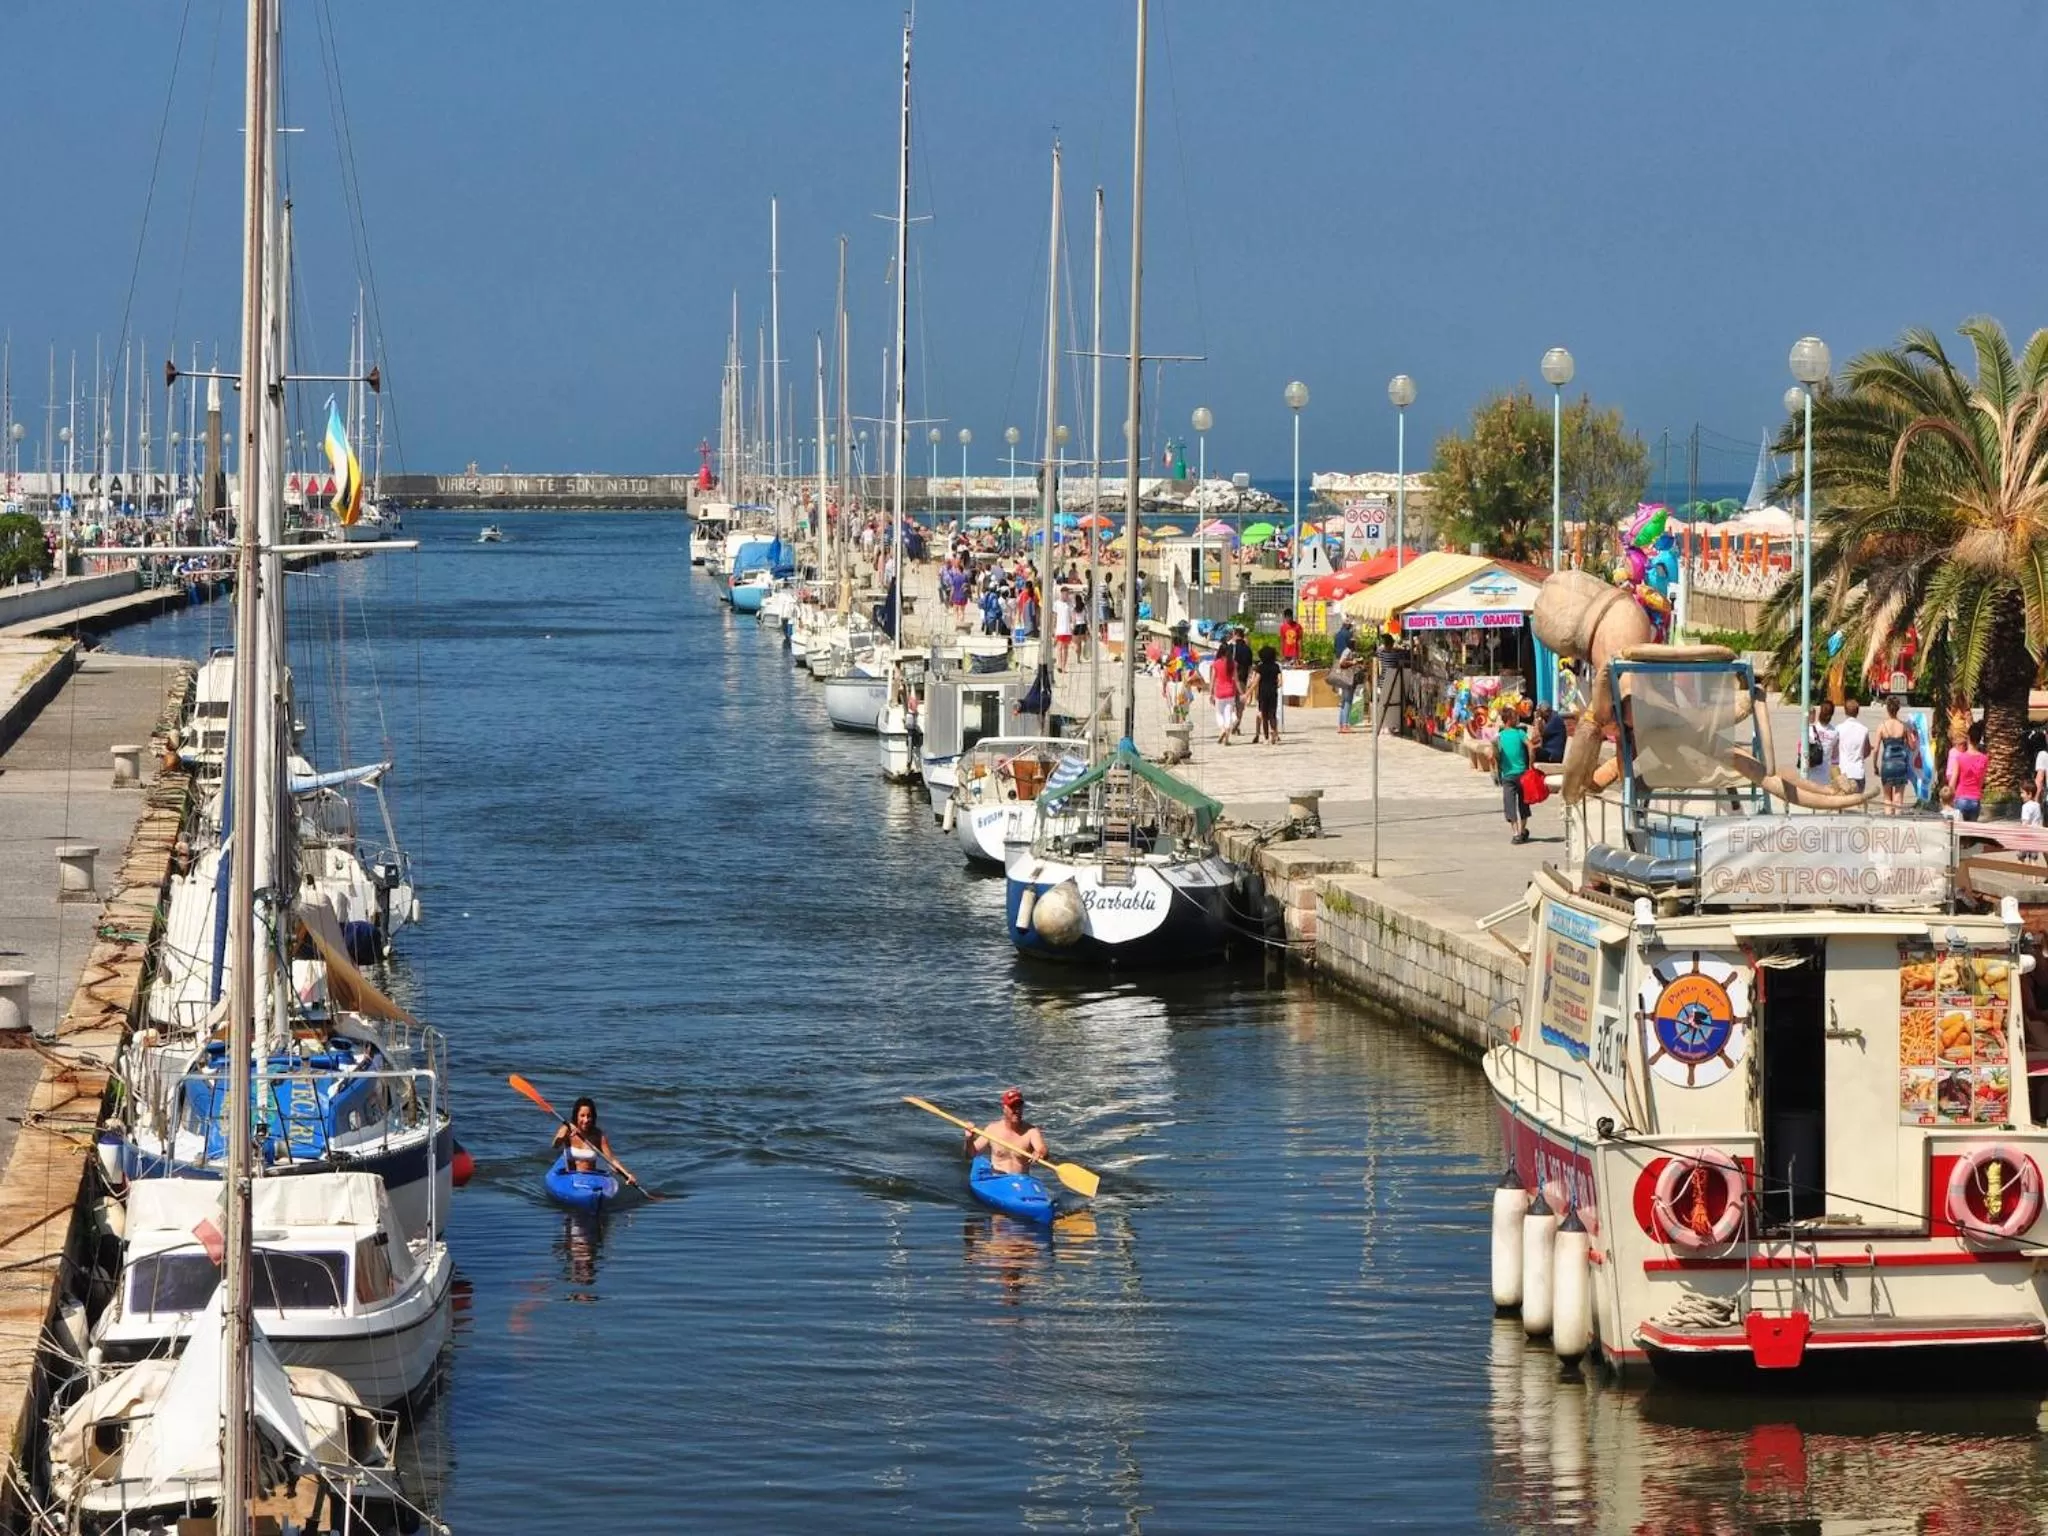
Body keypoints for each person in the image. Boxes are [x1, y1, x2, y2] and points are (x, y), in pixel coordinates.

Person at [552, 1097, 637, 1188]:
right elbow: (555, 1145)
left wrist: (627, 1174)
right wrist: (564, 1132)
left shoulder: (598, 1135)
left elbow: (611, 1161)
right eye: (582, 1115)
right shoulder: (567, 1129)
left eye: (589, 1116)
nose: (586, 1120)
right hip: (571, 1178)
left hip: (591, 1179)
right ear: (576, 1116)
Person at [964, 1087, 1049, 1175]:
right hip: (997, 1179)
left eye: (1019, 1106)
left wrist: (1039, 1153)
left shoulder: (1031, 1132)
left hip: (1020, 1181)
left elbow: (1042, 1150)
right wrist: (969, 1139)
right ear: (1004, 1108)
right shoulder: (992, 1130)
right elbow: (970, 1155)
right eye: (1012, 1106)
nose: (1017, 1110)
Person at [1876, 696, 1919, 813]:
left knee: (1887, 798)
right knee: (1898, 798)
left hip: (1887, 764)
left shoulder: (1882, 726)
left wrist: (1875, 765)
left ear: (1887, 709)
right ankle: (1898, 823)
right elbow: (1912, 746)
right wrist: (1914, 737)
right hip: (1901, 764)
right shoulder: (1904, 726)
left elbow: (1875, 749)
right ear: (1898, 709)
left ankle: (1889, 823)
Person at [1496, 705, 1533, 844]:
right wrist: (1530, 764)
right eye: (1515, 716)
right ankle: (1521, 831)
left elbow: (1493, 752)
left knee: (1510, 804)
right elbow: (1530, 746)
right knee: (1523, 803)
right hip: (1520, 774)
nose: (1517, 719)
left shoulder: (1500, 736)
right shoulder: (1520, 734)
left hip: (1509, 775)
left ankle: (1518, 832)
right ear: (1509, 719)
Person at [1945, 719, 1989, 822]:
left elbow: (1953, 781)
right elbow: (1981, 781)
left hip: (1961, 797)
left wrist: (1949, 799)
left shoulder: (1960, 758)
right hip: (1975, 799)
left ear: (1968, 738)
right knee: (1971, 833)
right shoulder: (1984, 759)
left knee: (1960, 833)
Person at [1835, 697, 1872, 796]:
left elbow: (1834, 750)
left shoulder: (1839, 728)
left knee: (1842, 803)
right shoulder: (1864, 729)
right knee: (1857, 801)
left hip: (1843, 772)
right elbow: (1867, 751)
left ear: (1845, 711)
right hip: (1858, 772)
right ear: (1857, 712)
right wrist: (1859, 756)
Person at [1226, 626, 1256, 737]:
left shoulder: (1230, 648)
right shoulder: (1248, 649)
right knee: (1240, 704)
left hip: (1230, 679)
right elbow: (1250, 667)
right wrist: (1249, 678)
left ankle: (1232, 723)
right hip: (1242, 678)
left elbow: (1225, 663)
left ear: (1234, 634)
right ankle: (1237, 724)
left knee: (1230, 703)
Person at [1212, 641, 1241, 744]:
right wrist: (1242, 693)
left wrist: (1211, 693)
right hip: (1230, 691)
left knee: (1219, 713)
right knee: (1228, 713)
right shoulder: (1233, 663)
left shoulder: (1216, 663)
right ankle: (1227, 738)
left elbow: (1213, 679)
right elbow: (1236, 680)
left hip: (1219, 691)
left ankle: (1222, 729)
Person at [1254, 643, 1283, 744]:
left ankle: (1266, 738)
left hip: (1263, 693)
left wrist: (1251, 692)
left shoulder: (1260, 667)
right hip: (1272, 692)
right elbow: (1280, 681)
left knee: (1264, 716)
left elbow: (1256, 681)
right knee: (1272, 714)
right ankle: (1274, 732)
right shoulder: (1276, 666)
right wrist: (1275, 685)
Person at [1806, 700, 1839, 788]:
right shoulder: (1835, 733)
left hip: (1810, 776)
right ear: (1831, 715)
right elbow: (1835, 756)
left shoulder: (1809, 730)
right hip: (1825, 777)